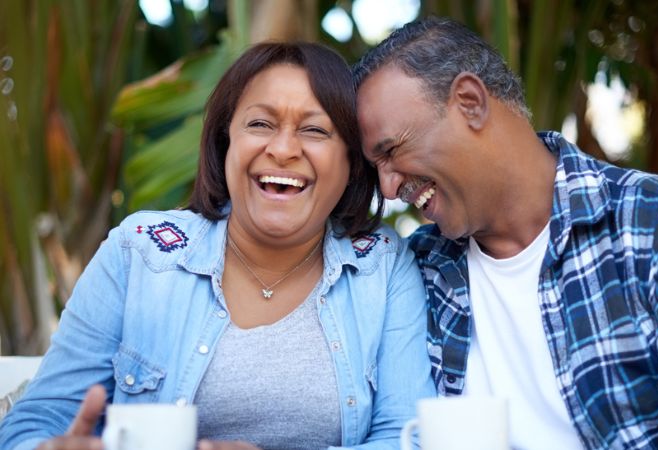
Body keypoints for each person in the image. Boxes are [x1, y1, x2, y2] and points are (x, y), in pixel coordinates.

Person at [0, 42, 435, 450]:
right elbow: (33, 422)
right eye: (260, 124)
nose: (282, 149)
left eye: (314, 130)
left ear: (350, 162)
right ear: (226, 144)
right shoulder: (140, 253)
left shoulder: (382, 266)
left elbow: (406, 437)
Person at [353, 16, 658, 450]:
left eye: (391, 151)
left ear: (469, 101)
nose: (389, 187)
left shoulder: (654, 225)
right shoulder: (415, 273)